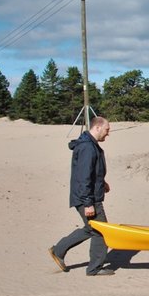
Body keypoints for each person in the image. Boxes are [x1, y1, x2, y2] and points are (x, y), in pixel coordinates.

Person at [48, 116, 115, 276]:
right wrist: (88, 203)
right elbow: (83, 176)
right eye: (107, 130)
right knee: (101, 231)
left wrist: (102, 182)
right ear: (97, 127)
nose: (108, 133)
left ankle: (59, 250)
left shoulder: (91, 145)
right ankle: (94, 268)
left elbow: (91, 171)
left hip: (88, 195)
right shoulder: (87, 147)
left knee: (91, 229)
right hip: (87, 198)